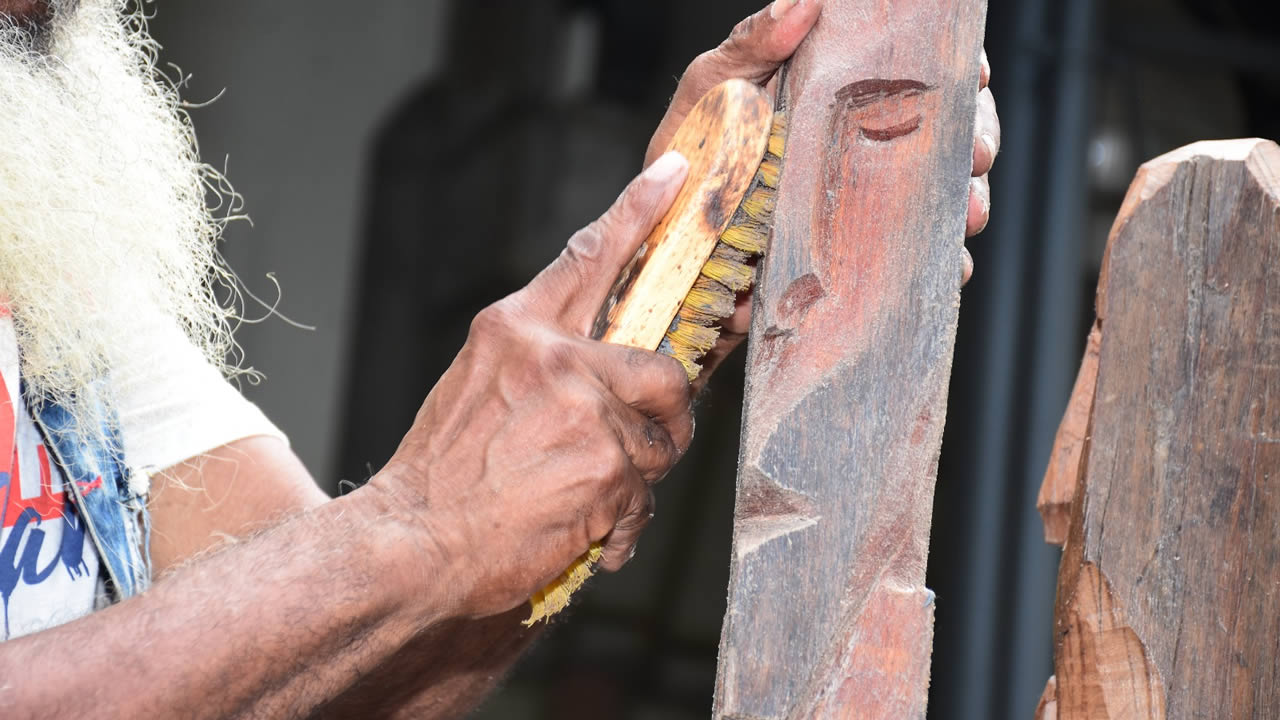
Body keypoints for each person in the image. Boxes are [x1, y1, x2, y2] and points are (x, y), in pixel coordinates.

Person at [0, 0, 1000, 716]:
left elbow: (322, 671)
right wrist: (416, 526)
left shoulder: (51, 294)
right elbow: (389, 562)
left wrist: (652, 309)